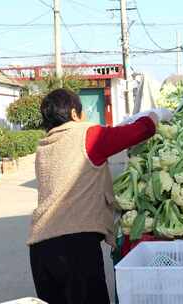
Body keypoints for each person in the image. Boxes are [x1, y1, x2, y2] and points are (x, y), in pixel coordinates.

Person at [27, 88, 172, 304]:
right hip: (74, 247)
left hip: (40, 249)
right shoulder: (87, 136)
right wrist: (157, 115)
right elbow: (141, 131)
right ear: (75, 114)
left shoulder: (44, 147)